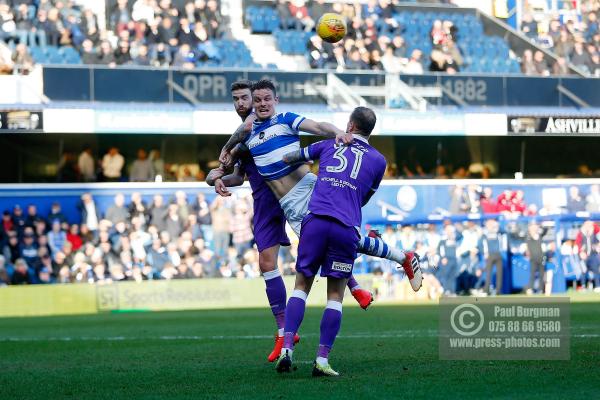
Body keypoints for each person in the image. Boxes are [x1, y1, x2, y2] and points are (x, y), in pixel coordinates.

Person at [217, 79, 421, 291]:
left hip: (308, 190)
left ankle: (395, 261)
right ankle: (383, 261)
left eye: (267, 99)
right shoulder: (247, 136)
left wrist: (337, 132)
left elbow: (317, 126)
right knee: (332, 243)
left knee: (329, 242)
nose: (262, 104)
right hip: (289, 204)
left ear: (276, 100)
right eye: (258, 100)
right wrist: (220, 171)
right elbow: (238, 148)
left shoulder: (285, 119)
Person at [275, 106, 387, 376]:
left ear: (350, 125)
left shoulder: (328, 144)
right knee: (335, 296)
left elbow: (291, 157)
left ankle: (287, 348)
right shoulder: (379, 160)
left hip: (315, 220)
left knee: (301, 286)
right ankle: (322, 360)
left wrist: (305, 162)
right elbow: (365, 196)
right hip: (345, 226)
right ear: (370, 131)